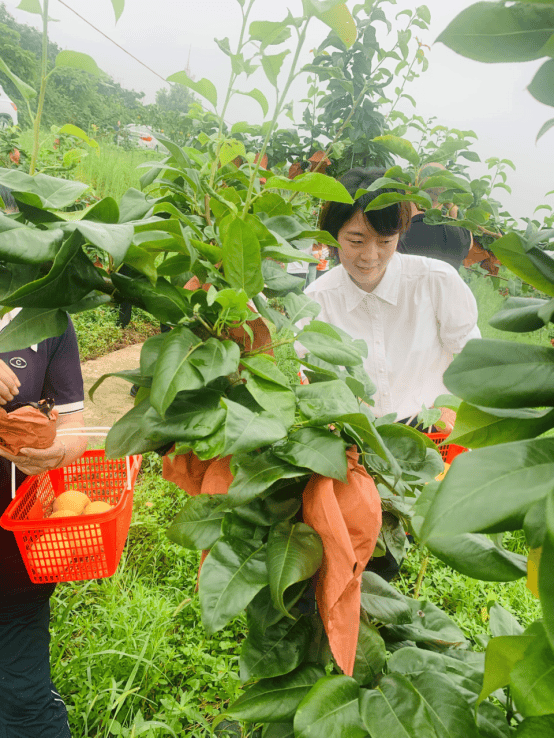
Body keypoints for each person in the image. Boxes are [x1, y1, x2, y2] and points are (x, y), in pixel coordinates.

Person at [0, 188, 88, 738]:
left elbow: (76, 423)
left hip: (14, 548)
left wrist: (58, 449)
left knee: (25, 697)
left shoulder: (47, 318)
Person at [303, 167, 481, 432]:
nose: (370, 256)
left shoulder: (435, 281)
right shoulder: (318, 299)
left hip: (432, 426)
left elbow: (471, 356)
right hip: (355, 432)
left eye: (385, 242)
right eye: (356, 241)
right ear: (331, 237)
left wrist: (453, 405)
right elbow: (306, 370)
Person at [398, 163, 473, 270]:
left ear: (412, 188)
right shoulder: (462, 236)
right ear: (446, 194)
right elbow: (469, 240)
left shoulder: (400, 232)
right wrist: (453, 208)